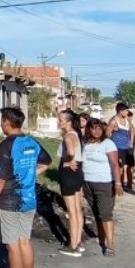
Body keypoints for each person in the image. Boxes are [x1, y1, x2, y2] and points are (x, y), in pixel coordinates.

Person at [0, 107, 51, 268]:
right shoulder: (31, 142)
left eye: (2, 121)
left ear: (7, 122)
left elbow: (0, 178)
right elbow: (46, 161)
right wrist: (31, 172)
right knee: (25, 242)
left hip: (10, 201)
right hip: (29, 199)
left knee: (12, 247)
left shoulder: (6, 146)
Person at [82, 117, 122, 257]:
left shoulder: (108, 144)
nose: (96, 131)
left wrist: (118, 183)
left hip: (104, 183)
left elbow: (115, 165)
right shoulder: (85, 144)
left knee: (105, 214)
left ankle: (110, 244)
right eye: (93, 128)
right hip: (87, 182)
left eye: (99, 128)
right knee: (96, 213)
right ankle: (101, 238)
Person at [57, 110, 84, 257]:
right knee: (77, 208)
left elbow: (70, 152)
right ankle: (78, 241)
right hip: (78, 173)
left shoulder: (68, 136)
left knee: (71, 211)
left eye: (61, 119)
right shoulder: (76, 134)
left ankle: (72, 246)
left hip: (68, 174)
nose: (59, 121)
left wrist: (68, 160)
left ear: (68, 121)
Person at [106, 102, 135, 191]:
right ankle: (120, 184)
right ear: (120, 111)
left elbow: (132, 131)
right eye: (126, 110)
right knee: (120, 167)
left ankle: (130, 184)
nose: (127, 112)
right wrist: (112, 145)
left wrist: (131, 143)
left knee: (131, 166)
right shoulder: (113, 121)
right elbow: (107, 133)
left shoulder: (127, 120)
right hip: (118, 148)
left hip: (127, 147)